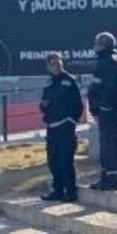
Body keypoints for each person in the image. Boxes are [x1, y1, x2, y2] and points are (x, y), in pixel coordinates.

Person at [88, 32, 117, 191]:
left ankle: (113, 179)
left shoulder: (109, 61)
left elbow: (112, 87)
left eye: (97, 43)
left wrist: (105, 107)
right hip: (108, 109)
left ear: (103, 45)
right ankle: (107, 177)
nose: (94, 46)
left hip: (108, 110)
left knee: (109, 143)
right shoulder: (108, 60)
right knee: (106, 143)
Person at [40, 53, 84, 202]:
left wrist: (71, 121)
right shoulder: (48, 83)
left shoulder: (69, 81)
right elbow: (44, 103)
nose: (56, 66)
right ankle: (57, 190)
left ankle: (71, 191)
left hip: (65, 126)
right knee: (53, 160)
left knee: (66, 160)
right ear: (47, 66)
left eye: (58, 63)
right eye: (52, 64)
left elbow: (78, 105)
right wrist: (43, 106)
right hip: (52, 127)